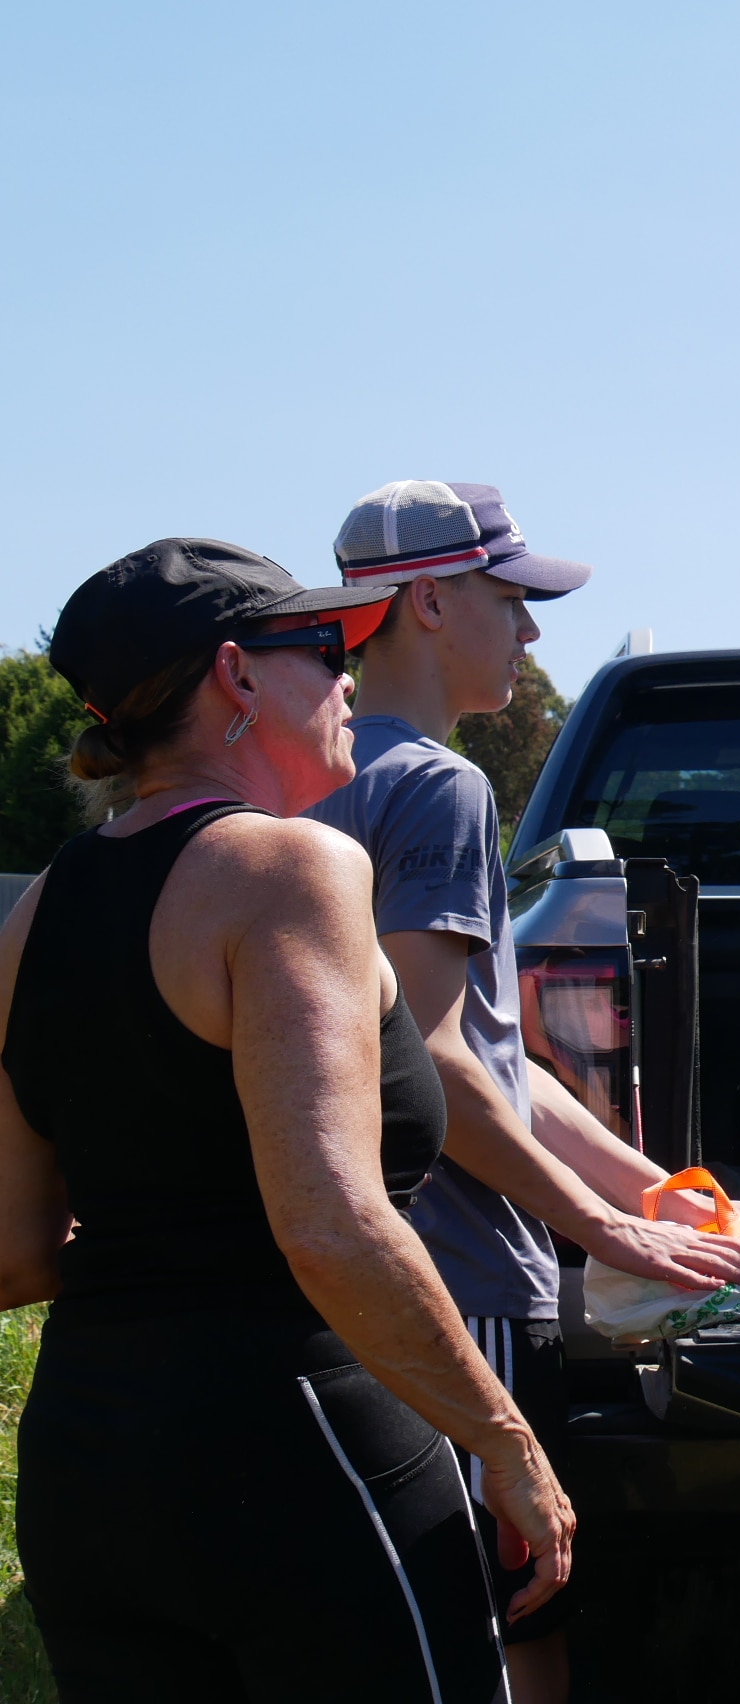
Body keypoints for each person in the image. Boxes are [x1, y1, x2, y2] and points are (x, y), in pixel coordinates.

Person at [0, 538, 572, 1702]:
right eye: (320, 648)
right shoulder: (290, 867)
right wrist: (509, 1445)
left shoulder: (39, 908)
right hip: (300, 1443)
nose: (350, 677)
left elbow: (12, 1248)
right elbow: (329, 1224)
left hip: (85, 1459)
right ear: (236, 677)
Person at [307, 480, 740, 1703]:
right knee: (512, 1619)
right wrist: (607, 1230)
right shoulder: (437, 790)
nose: (529, 633)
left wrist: (661, 1193)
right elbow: (431, 1059)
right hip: (457, 1283)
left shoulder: (295, 776)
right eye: (510, 600)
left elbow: (496, 1061)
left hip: (331, 1274)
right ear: (423, 601)